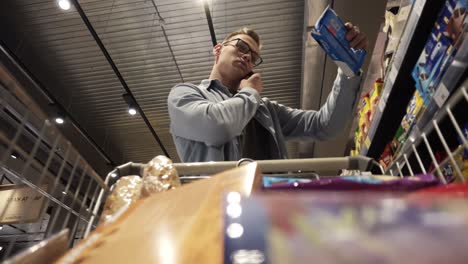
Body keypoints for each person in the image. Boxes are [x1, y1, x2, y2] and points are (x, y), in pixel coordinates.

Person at [168, 24, 368, 162]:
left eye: (253, 57)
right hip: (215, 214)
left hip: (272, 211)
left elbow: (325, 126)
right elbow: (215, 127)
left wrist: (346, 68)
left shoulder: (265, 110)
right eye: (241, 46)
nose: (247, 56)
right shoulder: (184, 95)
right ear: (218, 49)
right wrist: (249, 93)